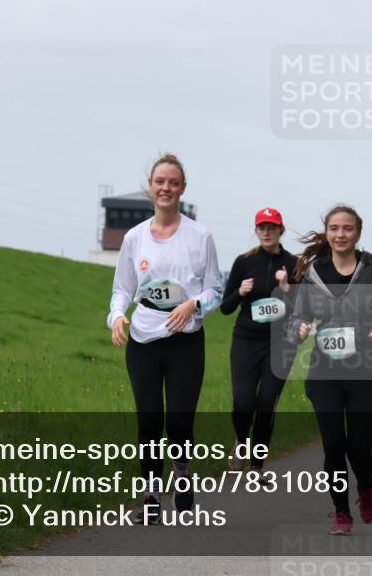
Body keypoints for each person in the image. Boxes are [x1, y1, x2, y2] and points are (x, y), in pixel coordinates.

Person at [108, 154, 223, 523]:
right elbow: (122, 288)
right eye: (160, 181)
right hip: (143, 340)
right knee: (149, 421)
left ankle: (183, 472)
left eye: (173, 183)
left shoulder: (200, 236)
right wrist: (116, 316)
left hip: (185, 342)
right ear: (150, 186)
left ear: (182, 189)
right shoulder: (134, 237)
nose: (166, 188)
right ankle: (152, 498)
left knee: (179, 421)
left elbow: (215, 291)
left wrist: (193, 305)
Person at [286, 205, 372, 535]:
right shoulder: (313, 272)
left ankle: (365, 486)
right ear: (327, 232)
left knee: (359, 449)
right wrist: (297, 328)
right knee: (333, 444)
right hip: (324, 370)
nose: (340, 234)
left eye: (347, 229)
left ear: (358, 233)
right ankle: (341, 512)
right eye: (334, 228)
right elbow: (298, 316)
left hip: (366, 370)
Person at [220, 207, 298, 479]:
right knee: (243, 402)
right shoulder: (244, 262)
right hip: (246, 340)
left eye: (272, 227)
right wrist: (241, 293)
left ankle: (257, 466)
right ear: (256, 231)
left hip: (280, 342)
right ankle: (242, 442)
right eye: (262, 227)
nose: (267, 232)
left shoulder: (294, 263)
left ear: (281, 230)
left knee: (266, 402)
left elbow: (305, 308)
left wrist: (288, 289)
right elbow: (225, 308)